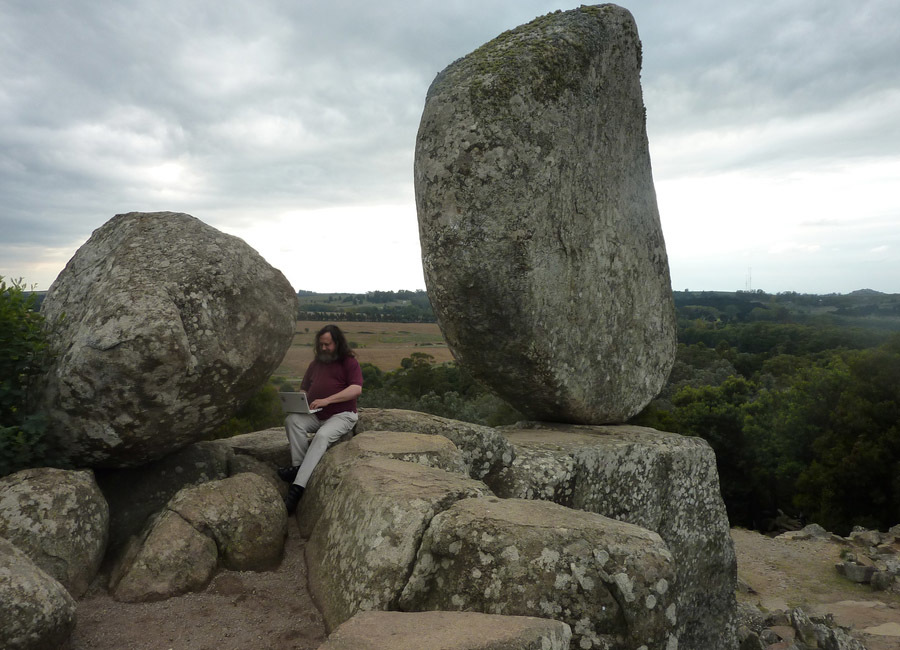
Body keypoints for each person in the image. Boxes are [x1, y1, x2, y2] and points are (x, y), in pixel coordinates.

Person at [279, 324, 363, 513]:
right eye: (321, 345)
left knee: (323, 436)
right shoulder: (315, 364)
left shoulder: (349, 362)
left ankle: (297, 488)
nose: (324, 348)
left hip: (342, 415)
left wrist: (327, 400)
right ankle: (299, 467)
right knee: (292, 421)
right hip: (316, 414)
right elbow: (305, 389)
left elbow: (356, 389)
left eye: (328, 345)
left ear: (337, 343)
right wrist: (300, 402)